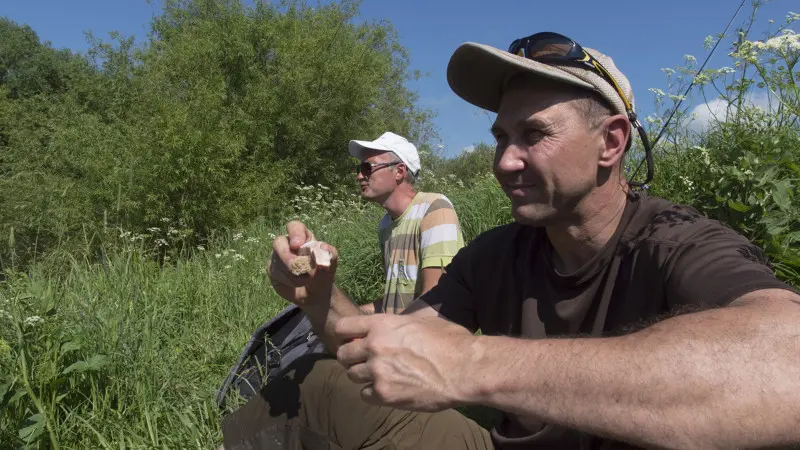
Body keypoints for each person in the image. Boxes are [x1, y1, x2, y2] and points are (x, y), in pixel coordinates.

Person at [227, 32, 800, 449]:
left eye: (534, 135)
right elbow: (394, 350)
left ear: (612, 142)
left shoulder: (677, 240)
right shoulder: (497, 253)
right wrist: (321, 299)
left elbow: (786, 362)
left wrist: (476, 363)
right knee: (324, 384)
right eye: (501, 135)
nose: (505, 161)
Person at [347, 131, 465, 315]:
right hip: (398, 336)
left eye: (367, 168)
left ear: (399, 171)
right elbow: (395, 303)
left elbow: (436, 300)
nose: (359, 176)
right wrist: (351, 315)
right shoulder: (385, 226)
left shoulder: (434, 208)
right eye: (359, 169)